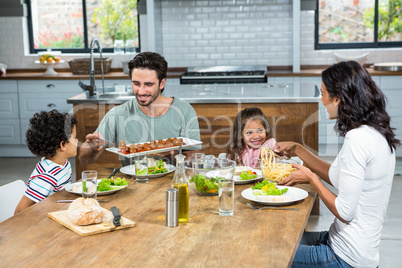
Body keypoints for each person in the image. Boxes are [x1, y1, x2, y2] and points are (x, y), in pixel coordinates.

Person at [274, 61, 400, 267]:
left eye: (323, 93)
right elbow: (336, 175)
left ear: (339, 98)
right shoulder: (375, 132)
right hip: (348, 245)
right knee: (276, 239)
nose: (321, 99)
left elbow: (345, 212)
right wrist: (298, 149)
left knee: (266, 254)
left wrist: (311, 178)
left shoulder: (357, 139)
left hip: (346, 258)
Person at [78, 51, 201, 166]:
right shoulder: (118, 114)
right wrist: (93, 148)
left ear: (162, 83)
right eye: (136, 84)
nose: (141, 91)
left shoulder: (184, 110)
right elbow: (83, 159)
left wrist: (170, 154)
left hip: (173, 184)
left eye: (148, 84)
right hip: (133, 185)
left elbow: (194, 157)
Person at [14, 110, 78, 215]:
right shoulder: (46, 176)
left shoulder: (64, 163)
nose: (78, 141)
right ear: (63, 145)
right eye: (75, 138)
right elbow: (19, 211)